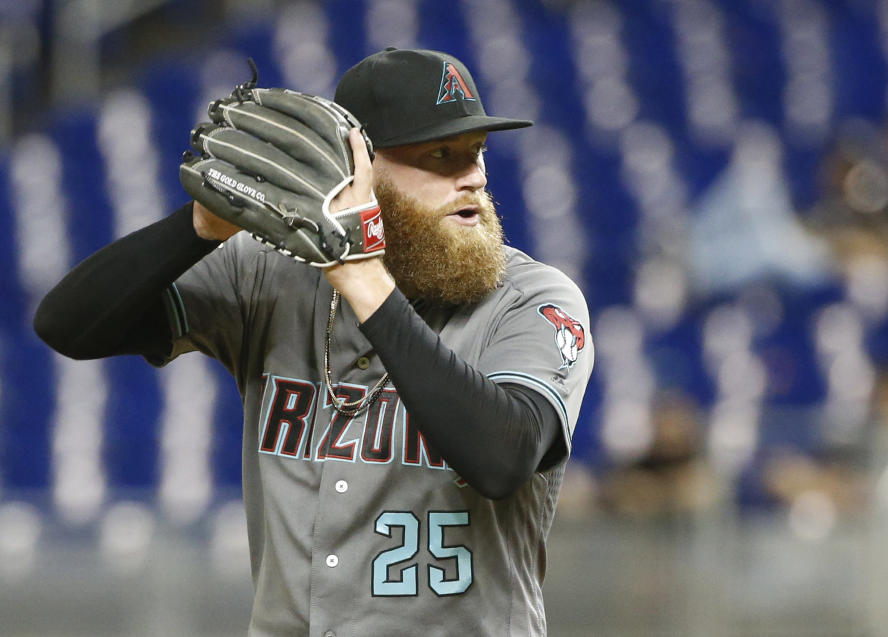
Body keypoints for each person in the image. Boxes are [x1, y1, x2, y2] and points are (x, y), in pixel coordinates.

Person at [33, 47, 594, 636]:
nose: (473, 178)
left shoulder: (532, 299)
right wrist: (200, 227)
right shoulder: (268, 275)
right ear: (356, 172)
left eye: (476, 154)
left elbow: (502, 460)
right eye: (440, 155)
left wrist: (366, 278)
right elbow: (67, 325)